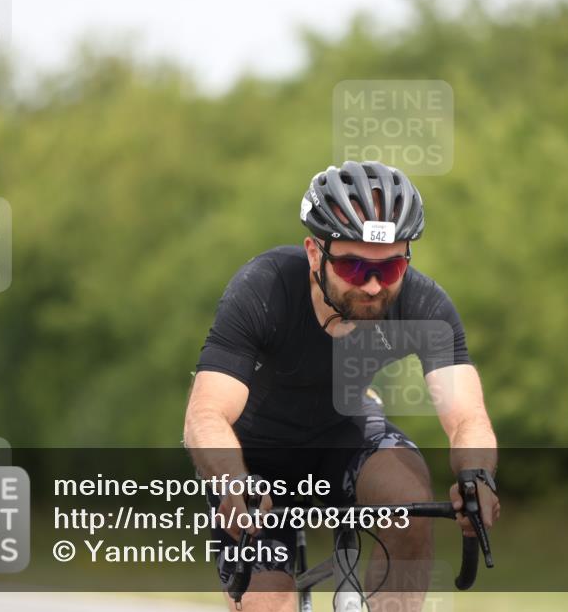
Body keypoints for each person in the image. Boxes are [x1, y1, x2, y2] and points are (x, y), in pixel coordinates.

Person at [184, 160, 498, 612]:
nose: (372, 286)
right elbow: (206, 413)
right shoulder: (264, 289)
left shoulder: (424, 303)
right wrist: (232, 481)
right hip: (255, 458)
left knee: (409, 504)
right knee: (269, 601)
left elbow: (467, 415)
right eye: (353, 268)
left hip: (346, 435)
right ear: (315, 253)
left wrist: (477, 478)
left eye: (389, 269)